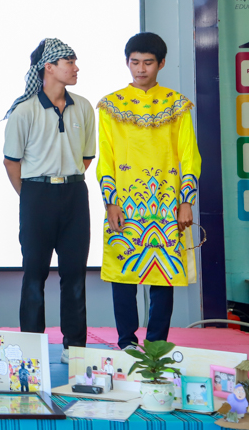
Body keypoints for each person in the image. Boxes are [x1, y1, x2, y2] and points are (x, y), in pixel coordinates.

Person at [98, 32, 201, 350]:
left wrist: (187, 201)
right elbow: (106, 158)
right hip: (126, 202)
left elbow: (189, 156)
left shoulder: (177, 105)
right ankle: (126, 342)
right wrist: (110, 202)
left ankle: (156, 344)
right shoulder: (111, 106)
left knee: (163, 276)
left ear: (162, 64)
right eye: (135, 62)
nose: (140, 69)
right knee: (122, 273)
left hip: (167, 201)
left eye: (148, 62)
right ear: (127, 62)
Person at [3, 39, 95, 363]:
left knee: (75, 275)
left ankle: (75, 347)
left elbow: (86, 157)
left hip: (74, 194)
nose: (76, 68)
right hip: (36, 195)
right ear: (49, 67)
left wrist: (63, 181)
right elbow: (11, 162)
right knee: (34, 274)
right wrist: (31, 194)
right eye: (69, 62)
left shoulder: (83, 107)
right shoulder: (24, 111)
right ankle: (31, 348)